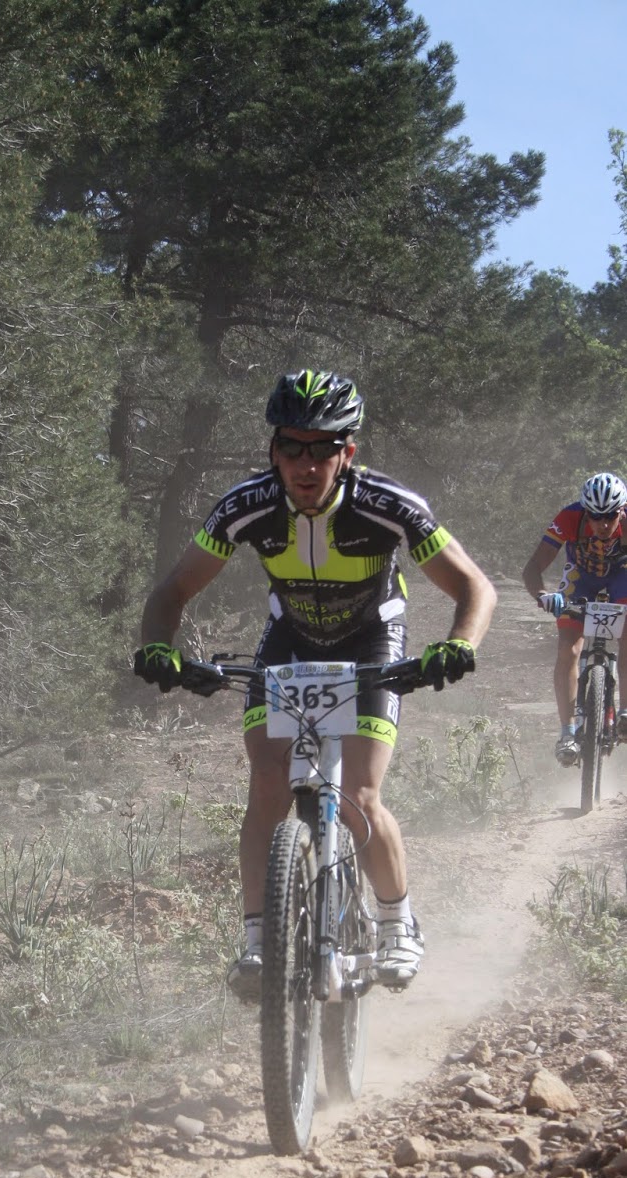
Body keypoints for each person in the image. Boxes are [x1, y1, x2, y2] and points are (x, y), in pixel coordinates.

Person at [133, 368, 497, 1001]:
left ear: (347, 452)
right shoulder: (246, 506)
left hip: (371, 640)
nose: (306, 464)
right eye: (292, 446)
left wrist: (459, 644)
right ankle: (257, 938)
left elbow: (475, 586)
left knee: (359, 793)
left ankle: (397, 921)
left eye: (323, 448)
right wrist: (159, 647)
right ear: (273, 450)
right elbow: (174, 589)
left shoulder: (387, 504)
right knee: (267, 783)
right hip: (291, 641)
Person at [521, 471, 627, 765]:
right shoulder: (569, 518)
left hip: (622, 576)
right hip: (581, 578)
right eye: (595, 516)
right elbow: (533, 566)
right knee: (568, 648)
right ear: (585, 511)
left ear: (621, 511)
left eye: (610, 516)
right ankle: (567, 732)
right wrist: (542, 594)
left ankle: (625, 713)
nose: (603, 524)